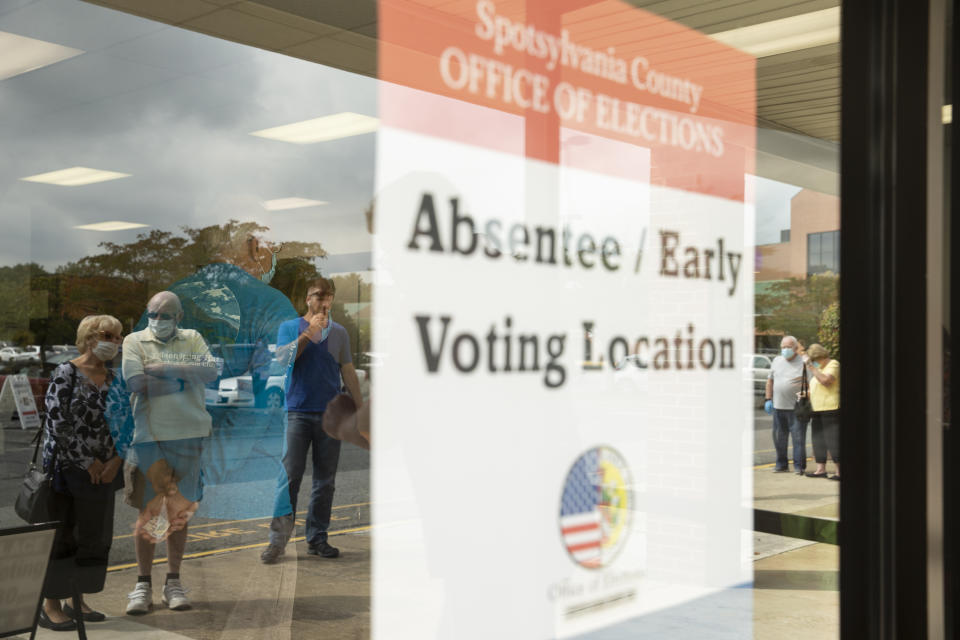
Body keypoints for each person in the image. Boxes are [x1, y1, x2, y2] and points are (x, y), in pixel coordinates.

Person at [120, 291, 218, 615]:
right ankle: (143, 584)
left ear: (179, 317)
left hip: (190, 436)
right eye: (153, 313)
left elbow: (210, 371)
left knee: (177, 514)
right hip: (149, 438)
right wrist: (180, 380)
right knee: (149, 514)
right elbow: (136, 382)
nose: (158, 320)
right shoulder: (134, 341)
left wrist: (162, 366)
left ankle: (173, 581)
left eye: (165, 315)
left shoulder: (193, 337)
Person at [260, 277, 364, 564]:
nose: (324, 301)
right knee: (290, 477)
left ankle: (317, 538)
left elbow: (348, 371)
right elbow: (283, 359)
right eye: (318, 296)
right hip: (298, 412)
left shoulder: (340, 333)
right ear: (307, 300)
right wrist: (309, 333)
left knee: (325, 481)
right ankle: (277, 541)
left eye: (328, 296)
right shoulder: (290, 328)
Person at [38, 315, 124, 631]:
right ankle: (51, 605)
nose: (115, 342)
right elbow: (57, 424)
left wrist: (115, 461)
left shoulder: (116, 378)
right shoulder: (66, 372)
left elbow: (125, 424)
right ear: (89, 337)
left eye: (118, 336)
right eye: (108, 335)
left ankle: (78, 599)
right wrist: (89, 462)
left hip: (105, 474)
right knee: (63, 539)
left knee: (94, 539)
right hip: (67, 472)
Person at [763, 335, 806, 474]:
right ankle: (781, 465)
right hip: (778, 407)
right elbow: (770, 381)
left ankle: (799, 467)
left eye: (788, 347)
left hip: (796, 408)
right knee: (779, 439)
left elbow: (811, 384)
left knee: (798, 439)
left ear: (795, 348)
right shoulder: (776, 360)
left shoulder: (804, 362)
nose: (785, 350)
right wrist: (768, 399)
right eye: (783, 347)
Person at [803, 343, 840, 480]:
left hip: (831, 408)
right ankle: (820, 469)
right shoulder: (818, 369)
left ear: (821, 356)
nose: (814, 364)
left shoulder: (833, 364)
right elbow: (816, 388)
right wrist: (805, 394)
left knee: (833, 440)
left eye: (815, 361)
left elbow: (826, 381)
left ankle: (839, 471)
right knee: (818, 439)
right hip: (816, 408)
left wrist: (811, 367)